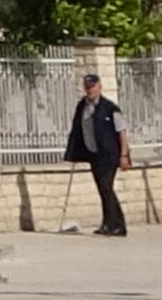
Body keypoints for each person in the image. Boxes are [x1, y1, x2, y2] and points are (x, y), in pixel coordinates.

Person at [62, 70, 129, 236]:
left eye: (93, 86)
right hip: (94, 154)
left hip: (110, 154)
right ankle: (108, 224)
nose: (90, 89)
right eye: (87, 86)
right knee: (103, 189)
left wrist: (124, 155)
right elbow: (77, 129)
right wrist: (74, 151)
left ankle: (118, 225)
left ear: (100, 87)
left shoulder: (110, 108)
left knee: (106, 188)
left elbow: (122, 131)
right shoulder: (82, 106)